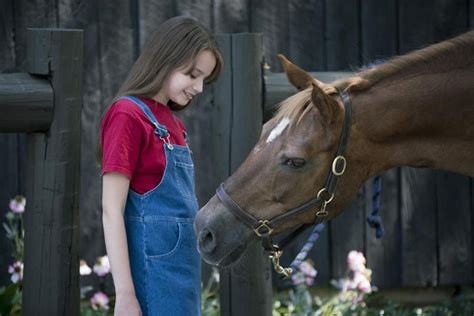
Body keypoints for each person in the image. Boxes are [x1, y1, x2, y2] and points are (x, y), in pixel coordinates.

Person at [98, 16, 223, 316]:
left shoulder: (174, 125)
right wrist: (125, 295)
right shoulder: (128, 115)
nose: (200, 87)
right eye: (193, 74)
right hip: (150, 280)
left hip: (183, 275)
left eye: (204, 78)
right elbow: (111, 210)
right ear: (166, 60)